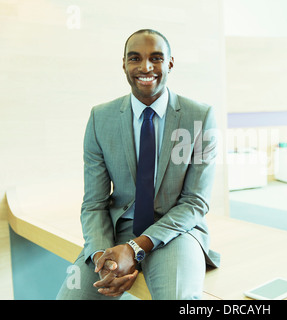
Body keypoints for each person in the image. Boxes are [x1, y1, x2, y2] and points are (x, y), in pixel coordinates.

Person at [56, 29, 220, 300]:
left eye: (156, 58)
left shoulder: (200, 117)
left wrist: (134, 249)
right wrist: (102, 258)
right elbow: (94, 203)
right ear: (124, 64)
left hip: (176, 231)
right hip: (117, 232)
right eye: (135, 58)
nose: (146, 67)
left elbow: (195, 203)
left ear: (169, 63)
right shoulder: (100, 118)